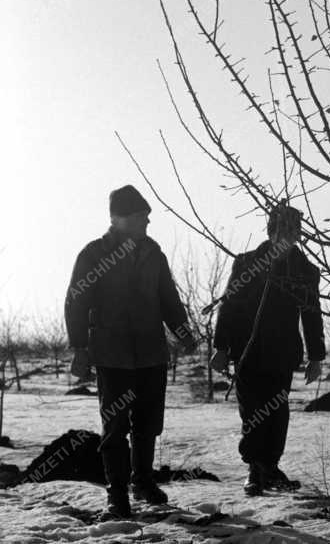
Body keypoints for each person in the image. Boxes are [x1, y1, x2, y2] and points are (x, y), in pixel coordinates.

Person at [64, 185, 196, 519]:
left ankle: (143, 482)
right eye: (141, 217)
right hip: (113, 355)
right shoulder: (93, 254)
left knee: (148, 424)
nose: (147, 223)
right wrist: (79, 348)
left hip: (152, 353)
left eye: (147, 217)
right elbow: (76, 302)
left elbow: (168, 298)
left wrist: (184, 333)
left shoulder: (154, 253)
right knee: (115, 428)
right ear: (119, 219)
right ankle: (117, 494)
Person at [210, 202, 325, 496]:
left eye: (291, 232)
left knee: (276, 410)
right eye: (280, 231)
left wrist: (316, 356)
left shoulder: (305, 271)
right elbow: (230, 306)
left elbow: (312, 313)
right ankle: (254, 469)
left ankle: (270, 467)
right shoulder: (247, 262)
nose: (285, 238)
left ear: (298, 235)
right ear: (270, 231)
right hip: (246, 352)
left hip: (282, 352)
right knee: (252, 411)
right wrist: (221, 347)